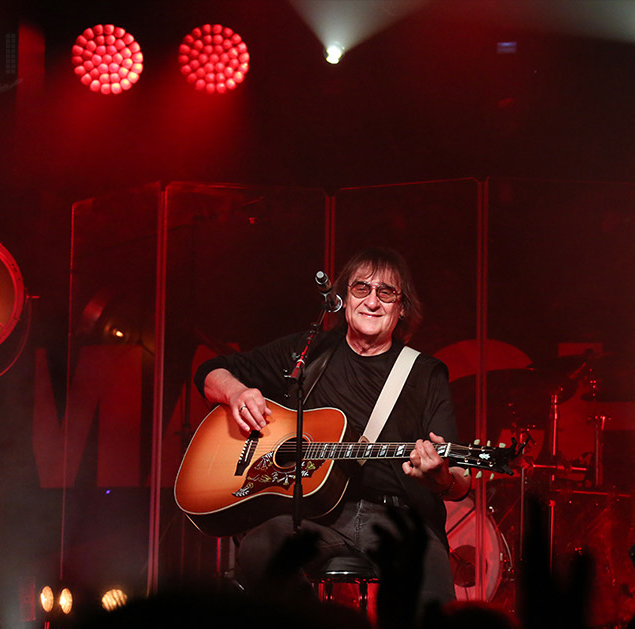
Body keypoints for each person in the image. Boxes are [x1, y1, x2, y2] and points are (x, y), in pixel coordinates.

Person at [193, 247, 471, 613]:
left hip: (397, 518)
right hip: (314, 517)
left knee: (430, 589)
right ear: (343, 298)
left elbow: (459, 481)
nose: (372, 301)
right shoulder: (307, 352)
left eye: (386, 292)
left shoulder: (425, 374)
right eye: (361, 289)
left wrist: (439, 477)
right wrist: (237, 392)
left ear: (402, 307)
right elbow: (210, 372)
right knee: (261, 548)